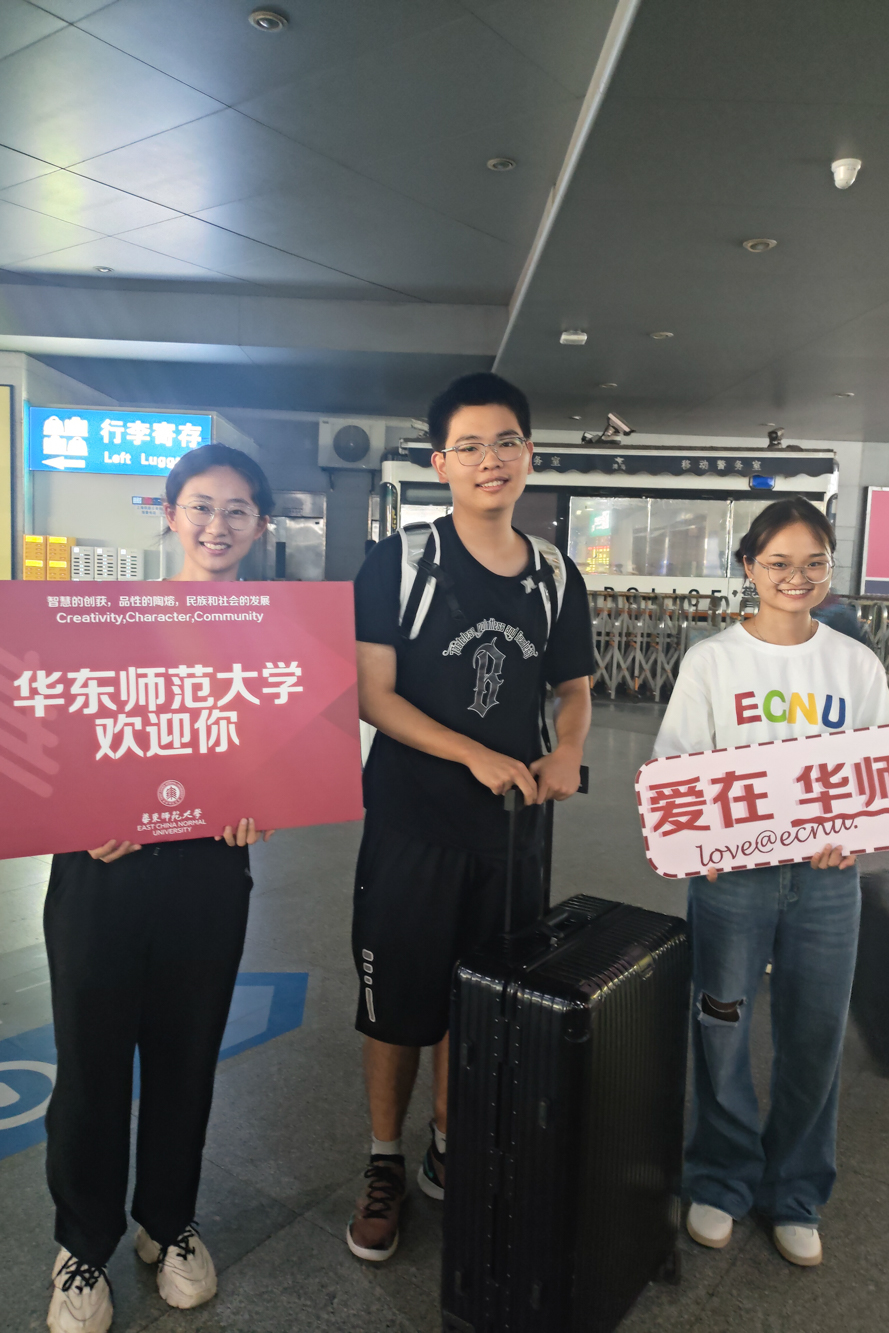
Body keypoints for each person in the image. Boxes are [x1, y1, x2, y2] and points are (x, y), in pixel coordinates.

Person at [346, 372, 594, 1261]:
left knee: (479, 996)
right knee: (394, 1004)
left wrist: (566, 749)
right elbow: (373, 695)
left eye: (506, 442)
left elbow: (573, 688)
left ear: (529, 453)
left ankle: (450, 1141)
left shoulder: (556, 574)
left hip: (512, 836)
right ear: (438, 462)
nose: (491, 460)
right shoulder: (401, 562)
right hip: (411, 826)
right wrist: (469, 752)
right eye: (470, 446)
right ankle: (383, 1158)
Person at [46, 444, 276, 1333]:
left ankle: (169, 1221)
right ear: (170, 513)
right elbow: (47, 729)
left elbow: (285, 752)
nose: (218, 524)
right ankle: (81, 1243)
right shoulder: (102, 619)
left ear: (260, 525)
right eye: (201, 506)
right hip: (100, 870)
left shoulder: (274, 633)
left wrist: (266, 803)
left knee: (186, 1057)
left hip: (208, 872)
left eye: (237, 509)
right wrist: (77, 814)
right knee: (90, 1064)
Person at [653, 496, 889, 1268]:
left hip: (826, 886)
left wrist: (852, 830)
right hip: (732, 882)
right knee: (720, 1029)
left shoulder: (855, 664)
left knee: (813, 1036)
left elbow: (877, 771)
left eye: (813, 562)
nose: (797, 576)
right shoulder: (712, 660)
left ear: (828, 569)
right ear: (748, 567)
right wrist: (698, 841)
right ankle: (719, 1178)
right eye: (778, 562)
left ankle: (795, 1190)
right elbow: (677, 762)